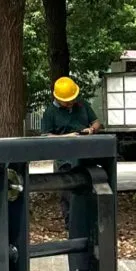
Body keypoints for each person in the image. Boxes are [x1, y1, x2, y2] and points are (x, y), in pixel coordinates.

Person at [40, 76, 101, 229]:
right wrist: (68, 137)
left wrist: (92, 130)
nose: (71, 103)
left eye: (73, 99)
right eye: (67, 101)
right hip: (64, 160)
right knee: (66, 192)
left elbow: (96, 121)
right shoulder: (50, 113)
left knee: (89, 188)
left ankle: (90, 221)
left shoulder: (82, 105)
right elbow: (45, 136)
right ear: (57, 98)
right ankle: (71, 224)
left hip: (85, 156)